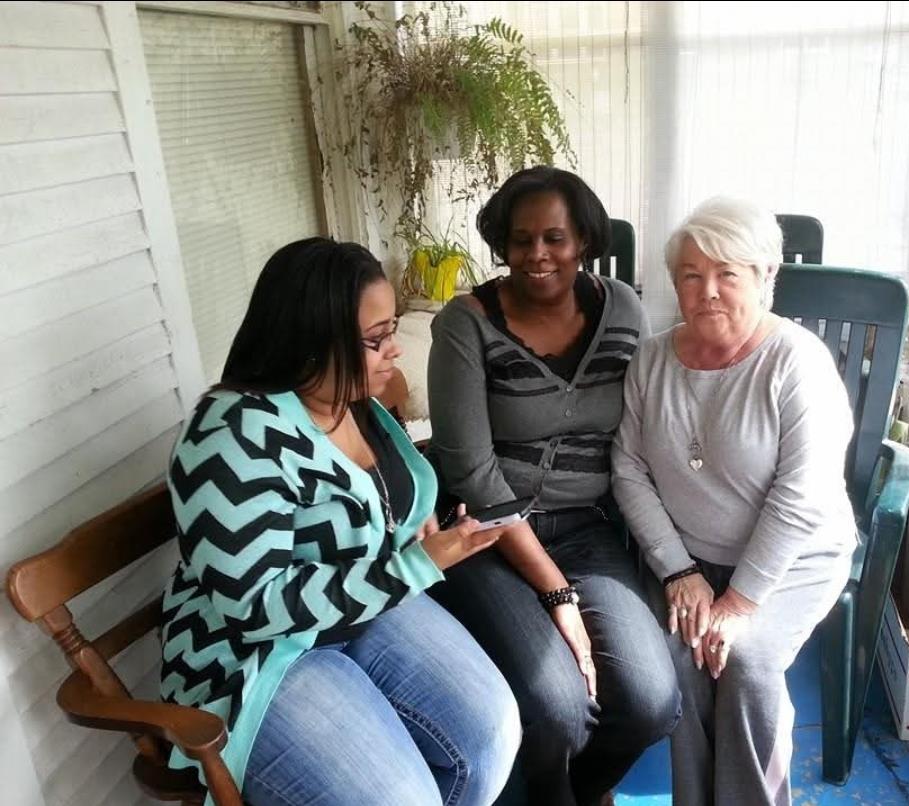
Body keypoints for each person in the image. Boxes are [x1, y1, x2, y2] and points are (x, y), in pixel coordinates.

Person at [159, 238, 520, 806]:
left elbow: (372, 495)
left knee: (492, 734)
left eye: (391, 328)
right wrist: (415, 566)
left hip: (358, 612)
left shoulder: (349, 399)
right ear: (310, 340)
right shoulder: (233, 434)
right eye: (375, 339)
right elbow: (253, 608)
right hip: (259, 661)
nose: (393, 350)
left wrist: (418, 519)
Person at [425, 166, 681, 806]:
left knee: (652, 702)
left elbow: (652, 421)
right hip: (484, 540)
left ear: (584, 241)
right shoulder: (466, 324)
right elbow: (472, 474)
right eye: (520, 240)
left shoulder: (622, 307)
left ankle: (578, 792)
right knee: (558, 709)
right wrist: (557, 593)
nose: (536, 255)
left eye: (555, 238)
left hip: (587, 530)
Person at [611, 197, 856, 806]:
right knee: (681, 656)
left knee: (744, 664)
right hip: (691, 563)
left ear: (765, 278)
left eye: (728, 274)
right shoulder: (652, 358)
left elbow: (801, 498)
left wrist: (741, 602)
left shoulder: (796, 362)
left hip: (791, 563)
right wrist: (678, 571)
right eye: (692, 276)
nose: (708, 292)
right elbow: (628, 468)